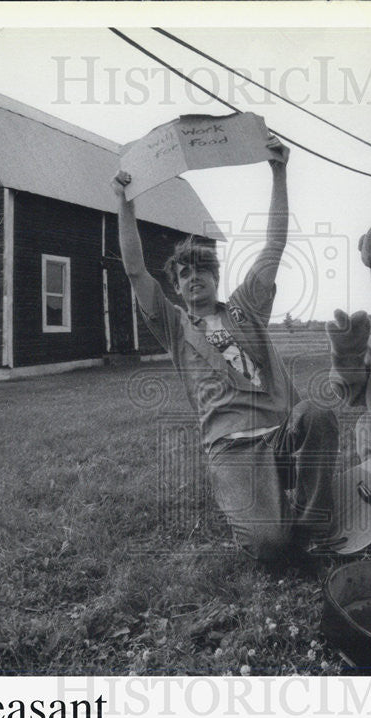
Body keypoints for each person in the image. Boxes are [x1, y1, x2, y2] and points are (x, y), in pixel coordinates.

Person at [111, 136, 339, 562]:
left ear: (216, 277)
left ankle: (313, 523)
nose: (193, 277)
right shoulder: (175, 325)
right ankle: (271, 518)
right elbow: (135, 269)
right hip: (232, 448)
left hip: (282, 436)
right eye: (183, 274)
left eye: (202, 270)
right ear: (176, 287)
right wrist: (126, 204)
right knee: (270, 549)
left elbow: (274, 246)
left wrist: (279, 172)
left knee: (317, 413)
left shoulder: (245, 308)